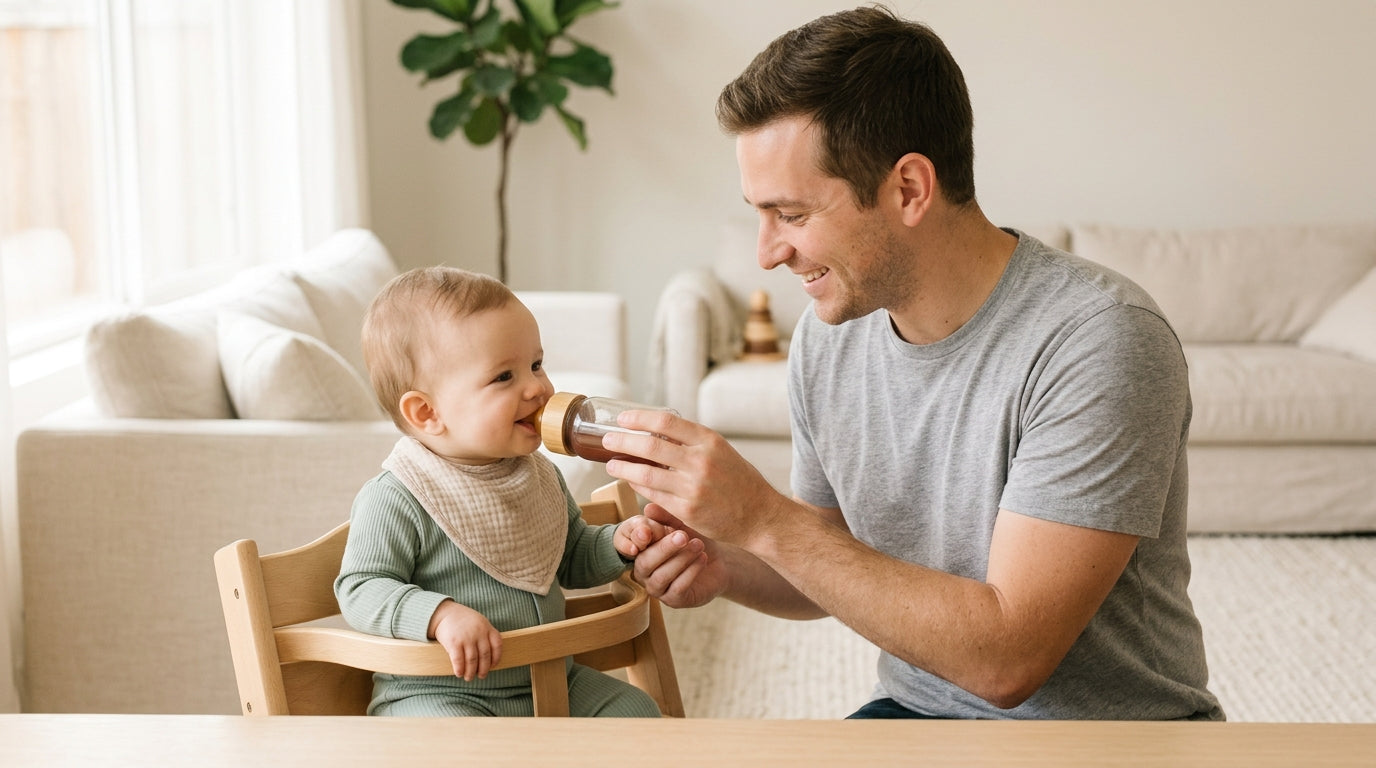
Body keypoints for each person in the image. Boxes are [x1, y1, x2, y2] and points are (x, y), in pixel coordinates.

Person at [604, 5, 1224, 720]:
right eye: (760, 214)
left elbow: (1007, 657)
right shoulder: (830, 334)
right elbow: (831, 562)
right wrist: (728, 559)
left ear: (909, 189)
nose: (766, 253)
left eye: (793, 215)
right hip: (917, 716)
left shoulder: (1100, 339)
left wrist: (764, 518)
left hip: (1104, 742)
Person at [334, 266, 664, 717]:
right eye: (503, 377)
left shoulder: (539, 474)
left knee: (638, 713)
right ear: (427, 412)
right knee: (468, 752)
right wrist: (440, 615)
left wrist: (617, 545)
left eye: (536, 364)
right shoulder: (399, 496)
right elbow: (360, 588)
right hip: (440, 693)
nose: (537, 387)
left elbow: (565, 558)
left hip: (550, 676)